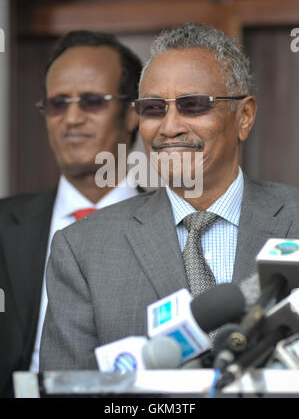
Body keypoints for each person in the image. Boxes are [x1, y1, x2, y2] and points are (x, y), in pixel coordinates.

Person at [40, 23, 299, 372]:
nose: (169, 126)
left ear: (245, 117)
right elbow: (66, 387)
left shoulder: (293, 219)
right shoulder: (83, 249)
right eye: (153, 108)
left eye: (193, 105)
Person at [0, 30, 143, 397]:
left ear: (132, 114)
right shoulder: (4, 226)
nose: (72, 118)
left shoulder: (177, 227)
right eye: (58, 103)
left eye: (93, 101)